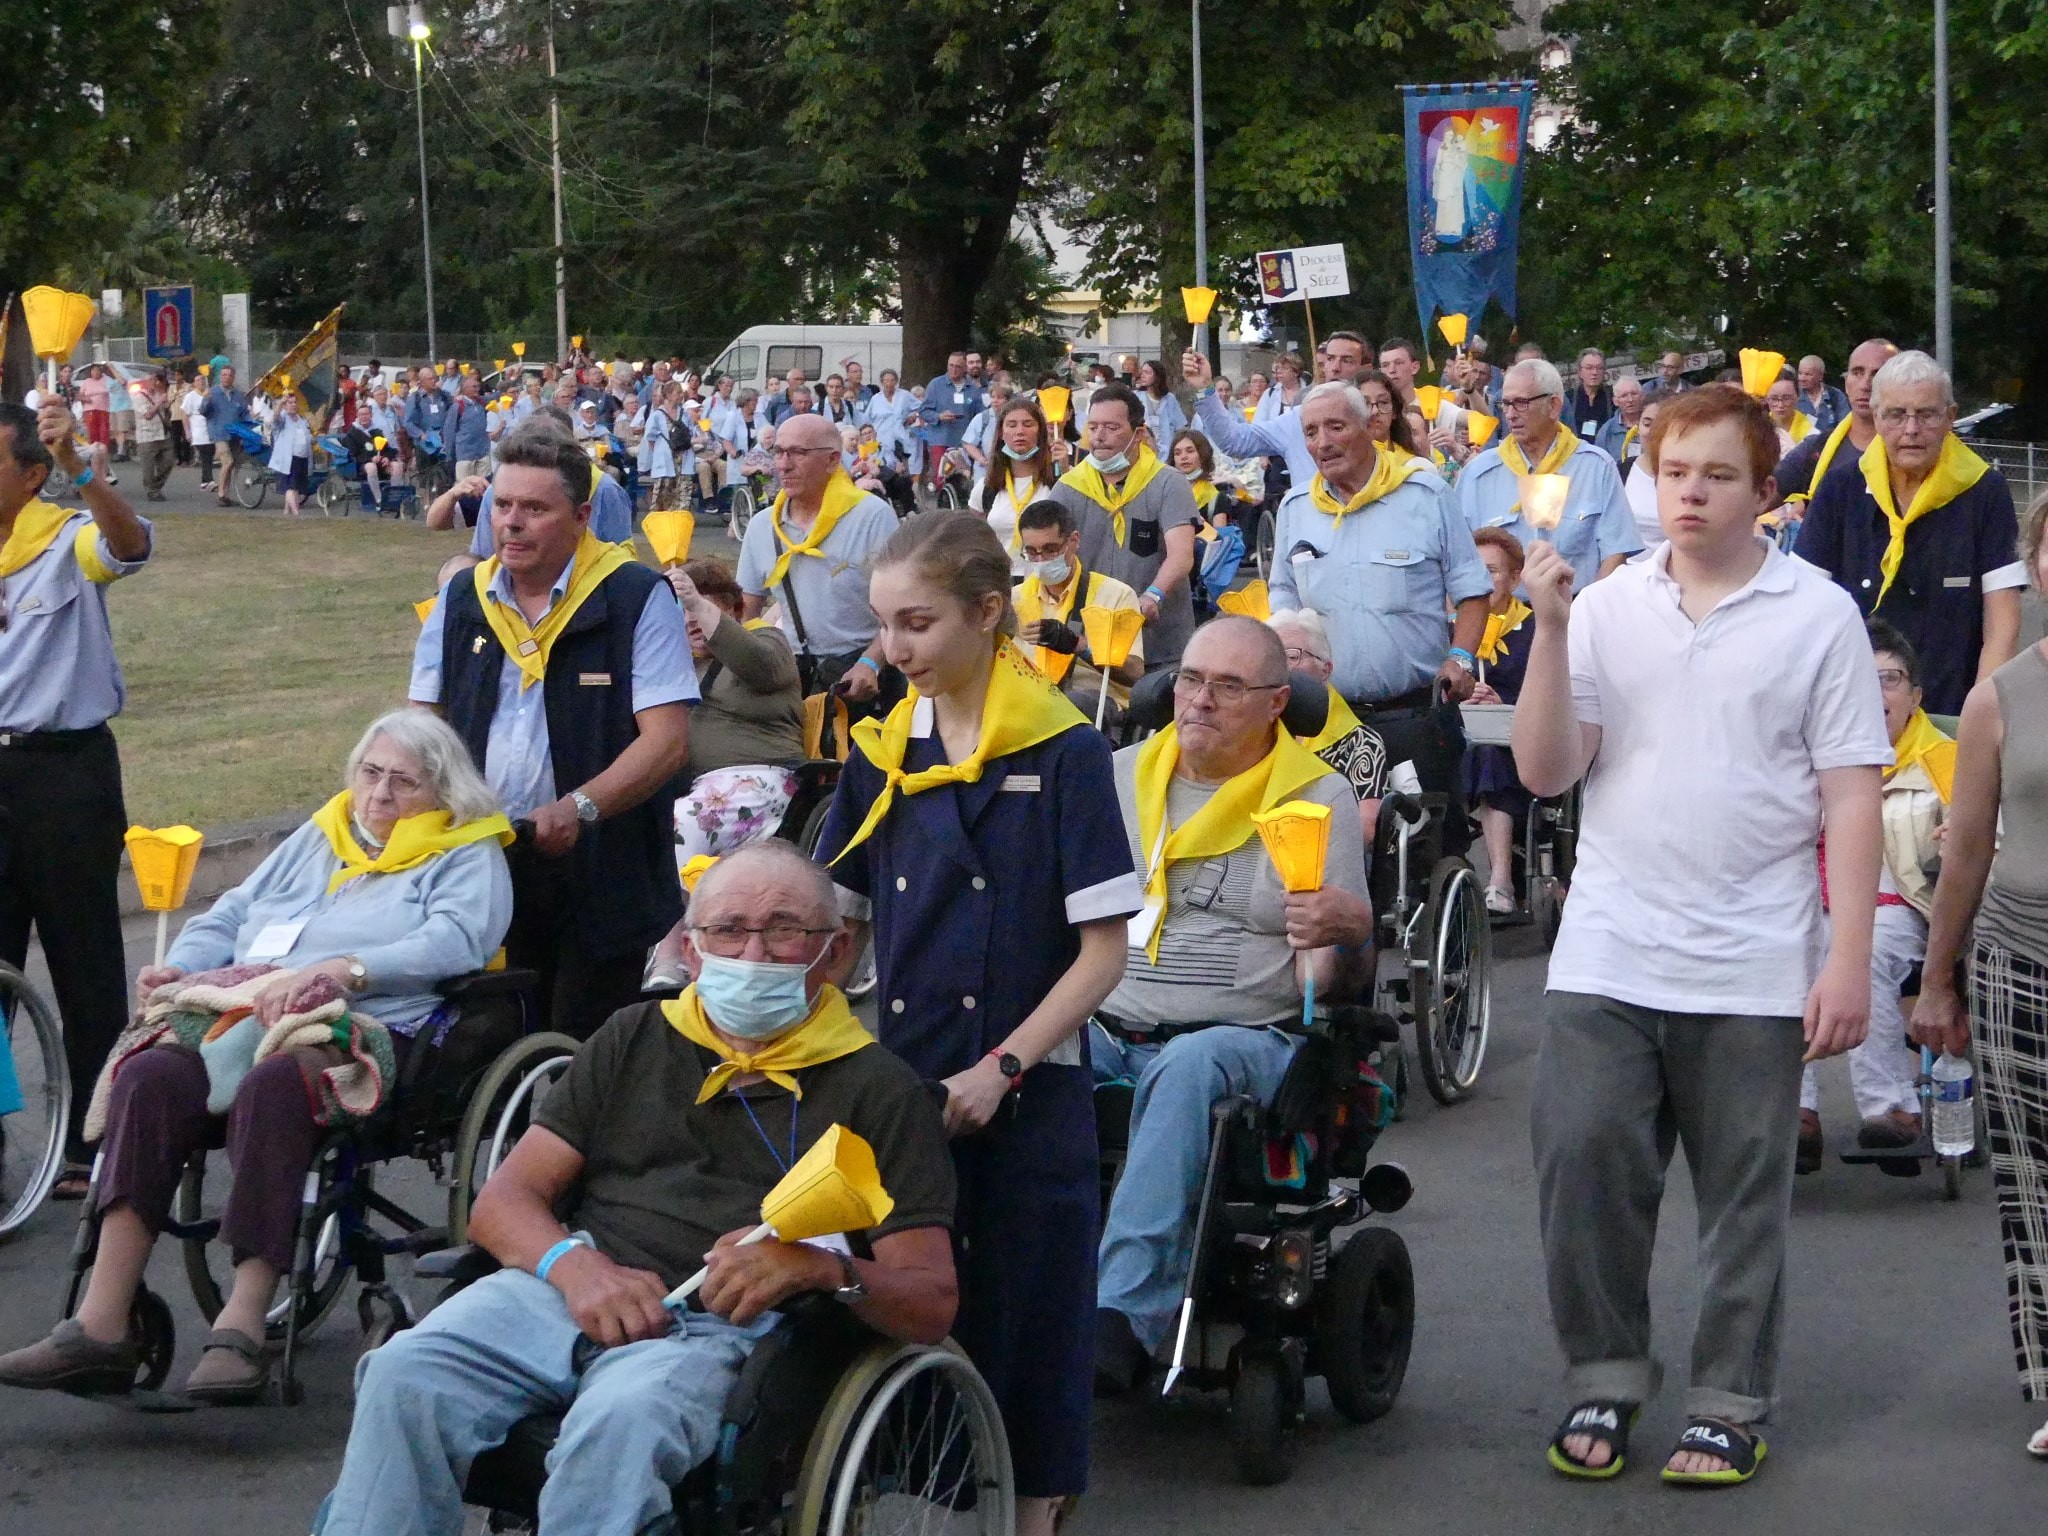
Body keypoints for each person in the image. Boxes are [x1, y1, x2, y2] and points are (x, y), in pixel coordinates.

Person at [313, 841, 960, 1536]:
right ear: (689, 948)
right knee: (402, 1373)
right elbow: (503, 1202)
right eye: (727, 930)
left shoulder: (878, 1088)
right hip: (571, 1284)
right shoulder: (634, 1037)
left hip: (721, 1329)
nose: (753, 954)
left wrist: (818, 1267)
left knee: (619, 1425)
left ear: (834, 954)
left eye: (784, 930)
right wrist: (575, 1268)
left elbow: (930, 1300)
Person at [1513, 384, 1890, 1486]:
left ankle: (1727, 1398)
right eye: (1673, 472)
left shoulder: (1815, 614)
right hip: (1608, 946)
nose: (1690, 492)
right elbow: (1544, 771)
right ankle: (1603, 1376)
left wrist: (1847, 958)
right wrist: (1544, 628)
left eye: (1717, 474)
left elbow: (1852, 796)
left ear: (1763, 493)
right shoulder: (1607, 607)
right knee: (1581, 1166)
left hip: (1753, 956)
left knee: (1741, 1199)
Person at [0, 713, 512, 1403]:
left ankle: (243, 1321)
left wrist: (347, 969)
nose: (380, 794)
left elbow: (456, 940)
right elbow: (235, 909)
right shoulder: (323, 835)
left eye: (403, 782)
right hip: (246, 1013)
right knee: (150, 1076)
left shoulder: (465, 850)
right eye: (370, 774)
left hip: (365, 1025)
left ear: (442, 791)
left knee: (276, 1087)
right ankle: (103, 1321)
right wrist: (178, 966)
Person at [815, 511, 1140, 1536]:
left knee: (1028, 1320)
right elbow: (842, 919)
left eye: (916, 624)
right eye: (881, 626)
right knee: (883, 1301)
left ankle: (1036, 1503)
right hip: (903, 1078)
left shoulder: (1065, 748)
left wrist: (1004, 1065)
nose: (893, 649)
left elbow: (1103, 952)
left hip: (1025, 1078)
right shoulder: (883, 748)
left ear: (988, 613)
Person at [1090, 616, 1375, 1391]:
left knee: (1189, 1064)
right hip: (1112, 1019)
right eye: (1189, 679)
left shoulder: (1315, 794)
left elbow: (1343, 971)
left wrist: (1348, 929)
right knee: (1015, 1055)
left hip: (1246, 1035)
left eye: (1226, 686)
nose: (1199, 701)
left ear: (1278, 702)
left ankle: (1122, 1313)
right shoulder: (1119, 775)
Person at [410, 422, 695, 1039]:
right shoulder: (464, 597)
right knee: (485, 1039)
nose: (510, 522)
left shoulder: (634, 597)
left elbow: (667, 740)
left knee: (581, 1048)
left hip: (599, 866)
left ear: (582, 516)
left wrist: (580, 808)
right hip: (481, 859)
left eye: (534, 508)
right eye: (502, 505)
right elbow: (421, 727)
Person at [1910, 489, 2048, 1453]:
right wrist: (1937, 979)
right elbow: (1964, 848)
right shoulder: (2005, 695)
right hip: (2018, 959)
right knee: (2035, 1185)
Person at [0, 399, 153, 1199]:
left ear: (30, 476)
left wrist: (81, 467)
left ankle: (95, 1143)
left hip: (64, 775)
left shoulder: (64, 540)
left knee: (85, 963)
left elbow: (129, 548)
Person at [1268, 381, 1490, 843]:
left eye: (1335, 426)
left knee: (1425, 850)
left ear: (1370, 426)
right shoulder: (1296, 509)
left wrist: (1462, 659)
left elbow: (1472, 590)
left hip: (1414, 715)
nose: (1322, 442)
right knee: (1331, 849)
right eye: (1310, 432)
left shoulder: (1425, 494)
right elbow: (1283, 599)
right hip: (1326, 723)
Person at [1795, 620, 1953, 1173]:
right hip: (1809, 902)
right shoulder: (1802, 757)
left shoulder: (1943, 760)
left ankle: (1893, 1108)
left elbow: (1991, 837)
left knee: (1861, 953)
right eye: (1860, 678)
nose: (1873, 691)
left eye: (1888, 678)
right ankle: (1797, 1111)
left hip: (1899, 905)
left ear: (1915, 695)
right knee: (1792, 953)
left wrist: (1954, 838)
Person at [1795, 350, 2023, 716]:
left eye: (1927, 414)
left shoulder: (1986, 491)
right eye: (1897, 415)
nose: (1911, 430)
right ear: (1877, 416)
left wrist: (1978, 722)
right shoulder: (1840, 488)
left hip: (1951, 710)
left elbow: (2003, 625)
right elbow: (1801, 609)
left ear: (1951, 418)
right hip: (1847, 708)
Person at [735, 413, 898, 714]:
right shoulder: (762, 526)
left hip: (859, 679)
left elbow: (901, 610)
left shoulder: (872, 516)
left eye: (798, 453)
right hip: (791, 678)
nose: (783, 465)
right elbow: (746, 612)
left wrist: (870, 662)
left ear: (832, 460)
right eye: (779, 452)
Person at [1049, 382, 1203, 672]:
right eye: (1092, 427)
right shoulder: (1069, 487)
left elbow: (1181, 555)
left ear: (1139, 434)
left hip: (1159, 643)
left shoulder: (1168, 482)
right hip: (1088, 643)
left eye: (1111, 427)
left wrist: (1153, 595)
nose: (1099, 437)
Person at [1459, 358, 1641, 594]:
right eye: (1506, 404)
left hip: (1576, 612)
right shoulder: (1478, 474)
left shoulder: (1595, 466)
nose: (1510, 415)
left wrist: (1588, 612)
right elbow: (1459, 559)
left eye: (1521, 403)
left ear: (1554, 405)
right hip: (1503, 619)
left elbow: (1616, 552)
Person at [666, 557, 804, 857]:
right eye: (684, 609)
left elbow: (763, 667)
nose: (692, 618)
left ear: (731, 611)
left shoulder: (766, 639)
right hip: (696, 790)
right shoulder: (681, 664)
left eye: (705, 607)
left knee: (674, 830)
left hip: (759, 781)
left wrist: (697, 603)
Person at [1012, 497, 1147, 721]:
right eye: (1032, 552)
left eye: (1050, 550)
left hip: (1094, 708)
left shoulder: (1115, 595)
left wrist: (1079, 645)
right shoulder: (1015, 600)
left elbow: (1135, 674)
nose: (1041, 559)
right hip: (1030, 708)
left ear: (1074, 541)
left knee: (1075, 704)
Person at [1266, 607, 1389, 842]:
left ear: (1326, 669)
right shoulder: (1254, 733)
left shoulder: (1361, 743)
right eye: (1273, 657)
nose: (1281, 667)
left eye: (1292, 656)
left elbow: (1366, 827)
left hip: (1325, 856)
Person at [1184, 333, 1372, 487]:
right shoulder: (1297, 419)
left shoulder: (1377, 419)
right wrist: (1204, 388)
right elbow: (1234, 441)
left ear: (1366, 367)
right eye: (1330, 359)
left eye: (1347, 361)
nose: (1335, 368)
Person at [1462, 527, 1535, 914]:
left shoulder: (1535, 628)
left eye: (1491, 571)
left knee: (1490, 753)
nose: (1482, 580)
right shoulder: (1452, 628)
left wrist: (1500, 700)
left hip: (1516, 741)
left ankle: (1501, 877)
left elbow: (1550, 693)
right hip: (1457, 738)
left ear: (1514, 578)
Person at [1770, 337, 1896, 509]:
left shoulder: (1914, 452)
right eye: (1857, 372)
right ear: (1846, 383)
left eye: (1878, 375)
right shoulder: (1817, 448)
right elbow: (1759, 498)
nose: (1866, 384)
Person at [971, 394, 1065, 573]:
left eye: (1028, 424)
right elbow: (976, 538)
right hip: (1002, 582)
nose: (1020, 432)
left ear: (1040, 431)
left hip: (1046, 582)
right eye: (1011, 425)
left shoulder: (1057, 483)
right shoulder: (987, 487)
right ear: (1001, 433)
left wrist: (1066, 470)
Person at [201, 365, 251, 507]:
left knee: (232, 464)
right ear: (220, 377)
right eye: (224, 375)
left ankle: (226, 494)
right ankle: (221, 493)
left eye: (229, 375)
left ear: (233, 377)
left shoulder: (238, 394)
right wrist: (206, 400)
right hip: (219, 432)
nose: (226, 377)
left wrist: (251, 423)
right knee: (227, 461)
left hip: (235, 433)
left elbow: (243, 413)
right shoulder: (213, 392)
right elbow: (203, 411)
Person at [268, 392, 314, 516]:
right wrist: (280, 403)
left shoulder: (302, 420)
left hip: (302, 457)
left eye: (295, 402)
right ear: (285, 405)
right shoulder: (283, 418)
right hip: (288, 458)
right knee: (290, 486)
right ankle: (296, 512)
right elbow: (275, 419)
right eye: (290, 403)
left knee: (297, 487)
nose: (293, 405)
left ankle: (287, 510)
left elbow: (308, 435)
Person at [132, 372, 175, 502]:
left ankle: (155, 486)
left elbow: (165, 414)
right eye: (151, 380)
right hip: (147, 436)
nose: (155, 383)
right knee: (148, 467)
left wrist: (167, 407)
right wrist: (158, 403)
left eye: (156, 380)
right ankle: (152, 491)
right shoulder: (139, 396)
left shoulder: (158, 394)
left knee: (169, 461)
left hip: (162, 434)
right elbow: (148, 414)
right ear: (145, 382)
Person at [448, 373, 494, 483]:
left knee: (483, 485)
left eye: (478, 386)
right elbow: (449, 431)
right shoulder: (458, 406)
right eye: (474, 387)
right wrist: (450, 455)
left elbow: (497, 396)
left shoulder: (481, 403)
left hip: (482, 453)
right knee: (464, 488)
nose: (477, 389)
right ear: (465, 389)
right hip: (465, 455)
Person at [1561, 349, 1616, 438]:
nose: (1594, 372)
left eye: (1599, 368)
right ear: (1580, 372)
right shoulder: (1568, 399)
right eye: (1589, 368)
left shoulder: (1614, 398)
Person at [1592, 376, 1645, 467]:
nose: (1630, 400)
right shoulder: (1607, 432)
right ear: (1615, 401)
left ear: (1642, 396)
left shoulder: (1655, 423)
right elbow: (1599, 465)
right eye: (1624, 396)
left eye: (1634, 394)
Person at [1135, 360, 1187, 449]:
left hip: (1167, 450)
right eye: (1142, 372)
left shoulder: (1170, 399)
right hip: (1144, 449)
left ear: (1157, 376)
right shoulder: (1136, 396)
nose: (1142, 376)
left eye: (1147, 373)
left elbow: (1180, 427)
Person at [1795, 354, 1851, 435]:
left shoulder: (1835, 395)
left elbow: (1846, 425)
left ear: (1820, 376)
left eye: (1807, 374)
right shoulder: (1793, 395)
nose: (1802, 378)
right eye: (1800, 373)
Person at [181, 374, 215, 491]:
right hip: (198, 430)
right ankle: (208, 480)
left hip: (210, 429)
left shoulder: (209, 394)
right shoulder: (190, 396)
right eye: (198, 380)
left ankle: (206, 481)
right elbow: (185, 414)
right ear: (194, 383)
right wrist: (187, 432)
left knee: (209, 455)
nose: (201, 382)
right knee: (205, 455)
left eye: (202, 380)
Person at [1765, 376, 1812, 457]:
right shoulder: (1759, 429)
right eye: (1774, 399)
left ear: (1798, 397)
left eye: (1786, 398)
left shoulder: (1811, 434)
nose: (1780, 405)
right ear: (1766, 399)